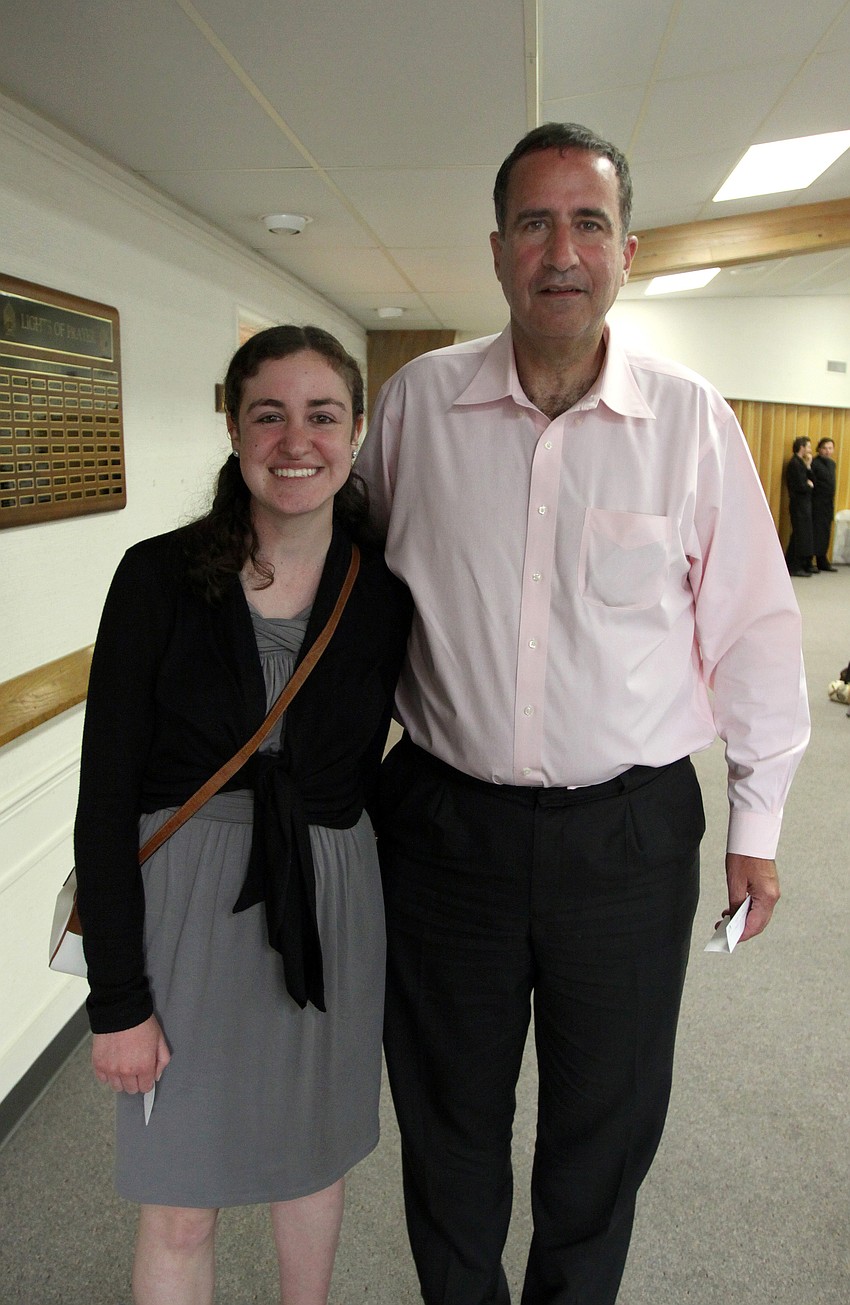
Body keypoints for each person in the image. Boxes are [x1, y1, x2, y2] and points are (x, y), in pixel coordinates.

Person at [356, 122, 810, 1305]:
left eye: (588, 222)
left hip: (627, 835)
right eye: (534, 222)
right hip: (444, 830)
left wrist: (756, 819)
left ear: (627, 251)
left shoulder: (691, 421)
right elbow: (334, 589)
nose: (561, 249)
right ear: (497, 248)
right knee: (447, 1117)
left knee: (602, 1129)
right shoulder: (414, 409)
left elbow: (756, 629)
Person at [73, 325, 411, 1305]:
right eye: (268, 414)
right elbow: (105, 798)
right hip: (183, 907)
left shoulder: (381, 591)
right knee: (180, 1197)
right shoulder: (156, 577)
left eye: (321, 416)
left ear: (354, 434)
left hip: (331, 903)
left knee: (312, 1166)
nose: (294, 440)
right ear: (233, 426)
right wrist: (119, 999)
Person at [784, 435, 815, 576]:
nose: (810, 449)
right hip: (798, 504)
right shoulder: (794, 463)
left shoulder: (801, 463)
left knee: (801, 534)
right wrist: (809, 486)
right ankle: (794, 566)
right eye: (808, 446)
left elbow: (812, 481)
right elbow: (801, 486)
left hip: (804, 504)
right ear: (801, 447)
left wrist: (808, 466)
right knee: (798, 535)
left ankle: (796, 564)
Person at [810, 436, 838, 571]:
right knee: (816, 531)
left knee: (826, 532)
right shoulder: (814, 464)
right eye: (825, 448)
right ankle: (810, 559)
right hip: (817, 503)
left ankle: (822, 559)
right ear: (819, 449)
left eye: (830, 448)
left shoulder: (832, 464)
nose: (827, 451)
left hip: (828, 503)